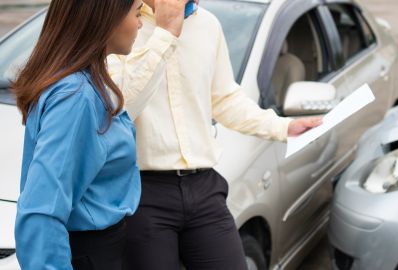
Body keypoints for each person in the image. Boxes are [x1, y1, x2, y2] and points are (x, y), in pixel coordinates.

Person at [108, 0, 323, 269]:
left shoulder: (207, 25)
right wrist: (165, 33)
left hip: (204, 187)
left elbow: (225, 99)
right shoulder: (123, 25)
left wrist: (283, 127)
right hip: (143, 193)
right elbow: (121, 106)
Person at [11, 0, 148, 269]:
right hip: (89, 255)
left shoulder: (83, 83)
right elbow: (42, 211)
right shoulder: (77, 96)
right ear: (107, 17)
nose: (141, 23)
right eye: (137, 12)